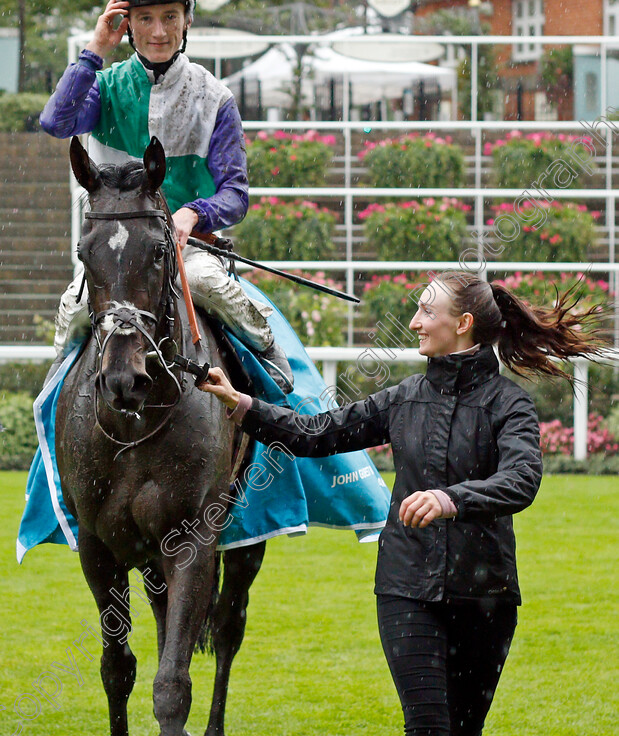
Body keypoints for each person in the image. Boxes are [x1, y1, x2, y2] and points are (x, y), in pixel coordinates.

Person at [198, 270, 611, 735]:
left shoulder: (509, 405)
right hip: (405, 590)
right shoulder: (403, 398)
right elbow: (317, 434)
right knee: (428, 728)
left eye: (426, 311)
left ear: (463, 323)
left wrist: (449, 498)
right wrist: (241, 404)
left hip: (486, 597)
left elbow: (521, 480)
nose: (413, 322)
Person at [39, 0, 293, 392]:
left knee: (205, 282)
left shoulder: (216, 97)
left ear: (187, 20)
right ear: (128, 25)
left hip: (186, 252)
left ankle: (273, 369)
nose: (158, 31)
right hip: (117, 253)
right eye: (145, 18)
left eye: (170, 17)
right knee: (74, 311)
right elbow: (55, 123)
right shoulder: (104, 87)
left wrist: (193, 213)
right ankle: (54, 402)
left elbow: (235, 193)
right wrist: (96, 49)